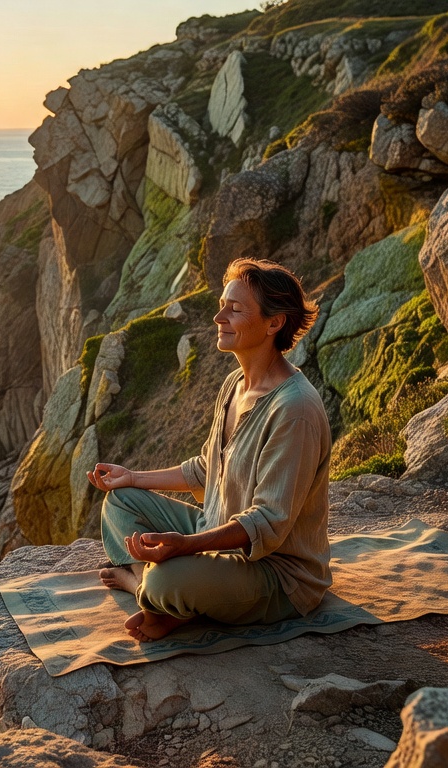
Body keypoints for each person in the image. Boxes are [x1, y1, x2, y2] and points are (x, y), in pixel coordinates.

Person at [86, 258, 331, 642]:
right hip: (214, 528)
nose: (219, 317)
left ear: (273, 323)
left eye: (234, 310)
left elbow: (268, 522)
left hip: (275, 574)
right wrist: (133, 478)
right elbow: (205, 470)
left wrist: (186, 547)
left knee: (169, 578)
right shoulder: (235, 384)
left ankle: (147, 589)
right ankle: (158, 596)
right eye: (222, 305)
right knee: (120, 502)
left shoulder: (294, 409)